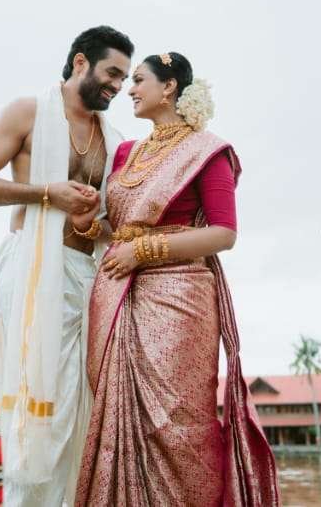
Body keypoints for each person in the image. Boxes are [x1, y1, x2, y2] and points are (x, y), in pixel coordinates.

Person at [72, 52, 277, 507]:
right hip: (119, 293)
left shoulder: (207, 151)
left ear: (169, 87)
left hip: (180, 297)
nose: (129, 90)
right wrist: (90, 225)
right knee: (121, 419)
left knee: (177, 424)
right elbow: (120, 228)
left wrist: (143, 252)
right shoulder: (127, 152)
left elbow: (223, 234)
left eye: (139, 80)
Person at [0, 25, 132, 506]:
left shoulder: (114, 140)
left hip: (84, 280)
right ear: (81, 62)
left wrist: (92, 225)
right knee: (28, 411)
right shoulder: (28, 112)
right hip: (30, 275)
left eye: (125, 77)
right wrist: (46, 193)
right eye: (112, 73)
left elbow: (110, 227)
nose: (118, 85)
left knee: (73, 411)